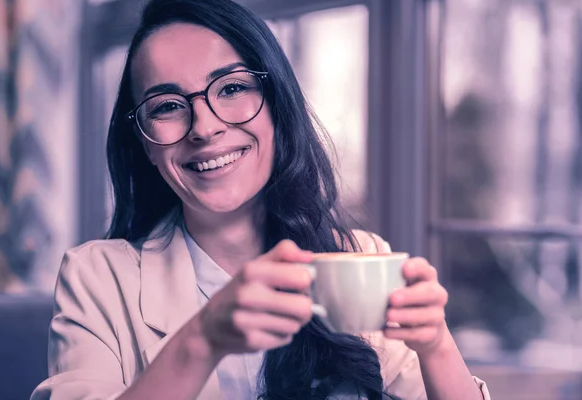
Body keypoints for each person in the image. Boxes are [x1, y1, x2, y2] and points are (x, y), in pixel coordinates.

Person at [32, 0, 492, 399]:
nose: (205, 127)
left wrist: (436, 345)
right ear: (146, 144)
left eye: (231, 89)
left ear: (277, 106)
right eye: (168, 106)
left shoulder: (361, 259)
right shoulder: (96, 278)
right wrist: (204, 338)